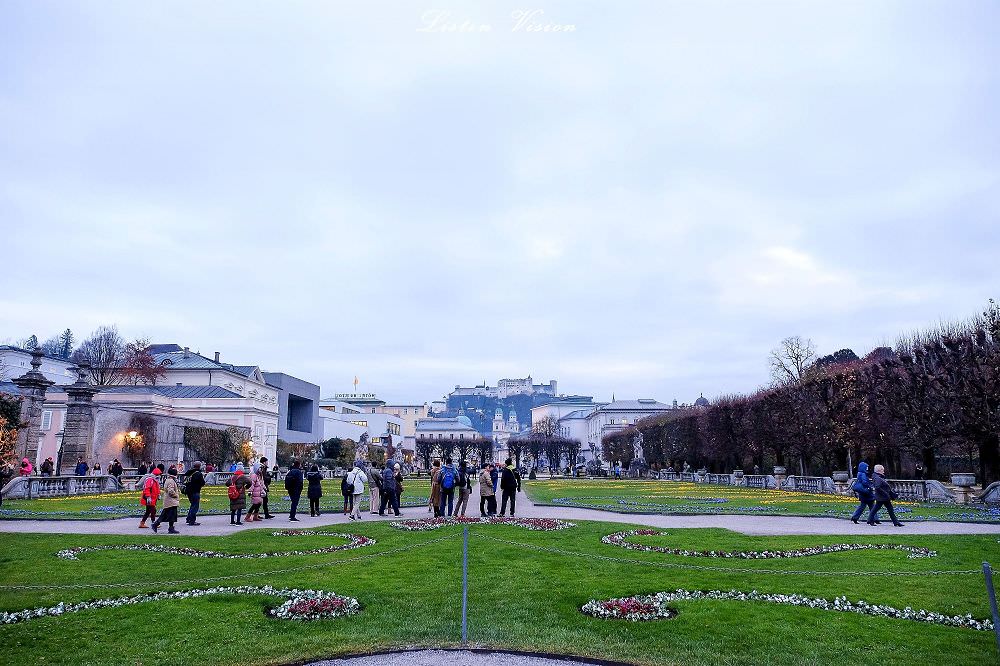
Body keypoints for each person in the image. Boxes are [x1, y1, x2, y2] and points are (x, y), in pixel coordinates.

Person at [152, 466, 181, 534]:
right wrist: (176, 495)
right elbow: (170, 491)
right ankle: (157, 525)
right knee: (168, 515)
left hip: (169, 501)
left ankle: (169, 528)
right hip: (171, 501)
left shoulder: (168, 480)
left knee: (168, 515)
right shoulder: (171, 481)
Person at [184, 461, 205, 526]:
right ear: (199, 466)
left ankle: (188, 519)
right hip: (195, 491)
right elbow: (202, 482)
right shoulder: (198, 473)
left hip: (188, 491)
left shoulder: (188, 472)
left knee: (192, 505)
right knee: (195, 506)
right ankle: (192, 520)